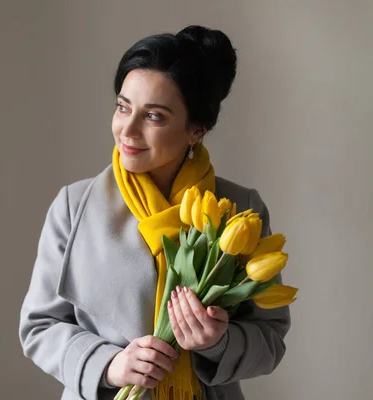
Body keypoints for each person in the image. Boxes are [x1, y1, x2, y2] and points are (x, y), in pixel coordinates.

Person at [19, 25, 291, 400]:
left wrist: (217, 342)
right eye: (122, 107)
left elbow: (270, 337)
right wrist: (109, 365)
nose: (127, 129)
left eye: (154, 116)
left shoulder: (238, 210)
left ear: (196, 129)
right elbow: (39, 326)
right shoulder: (74, 206)